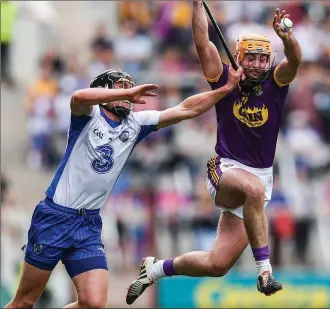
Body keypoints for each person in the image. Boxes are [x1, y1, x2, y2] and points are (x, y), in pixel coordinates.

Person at [5, 66, 243, 309]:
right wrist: (122, 95)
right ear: (103, 90)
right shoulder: (88, 116)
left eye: (129, 87)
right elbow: (78, 97)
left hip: (88, 225)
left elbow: (186, 109)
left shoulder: (136, 123)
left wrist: (225, 89)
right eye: (121, 87)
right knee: (24, 302)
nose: (128, 92)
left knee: (93, 303)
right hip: (55, 218)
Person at [126, 3, 303, 304]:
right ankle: (264, 271)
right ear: (238, 57)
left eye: (263, 59)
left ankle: (155, 269)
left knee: (217, 264)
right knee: (253, 188)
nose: (258, 64)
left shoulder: (276, 82)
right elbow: (202, 42)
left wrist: (286, 36)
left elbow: (296, 60)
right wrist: (197, 4)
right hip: (224, 168)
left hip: (259, 181)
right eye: (252, 58)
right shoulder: (223, 77)